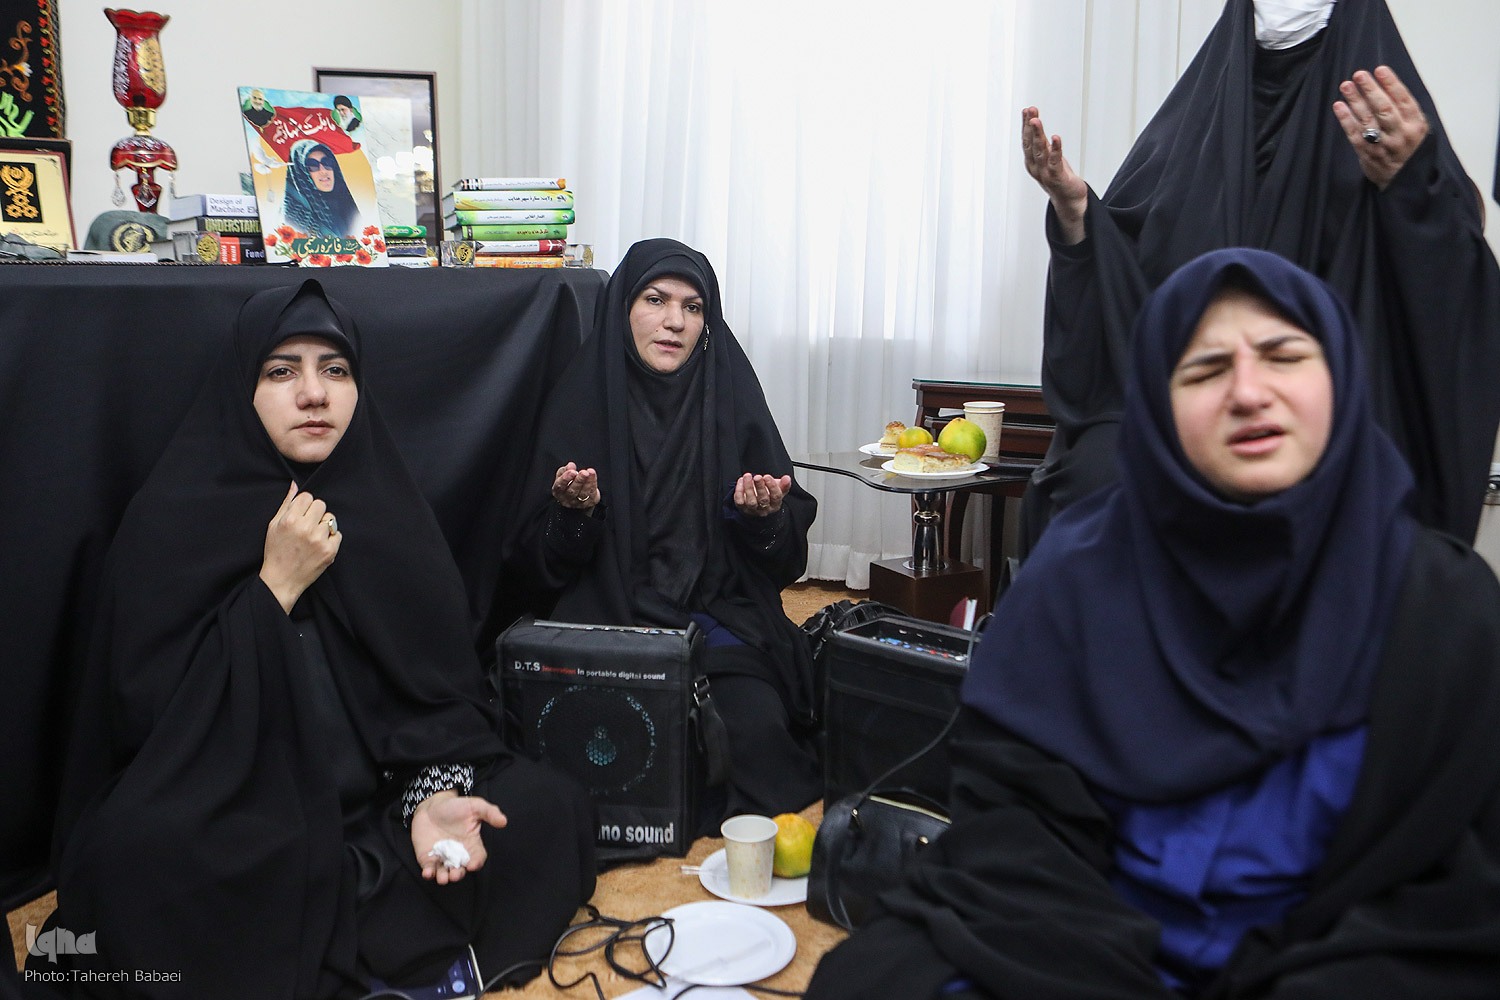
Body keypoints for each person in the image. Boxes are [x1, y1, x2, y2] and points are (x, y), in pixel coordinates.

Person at [804, 248, 1500, 999]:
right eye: (1205, 371)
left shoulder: (1440, 605)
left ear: (1340, 376)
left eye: (1283, 355)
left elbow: (1449, 888)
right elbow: (1014, 826)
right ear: (1158, 407)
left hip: (1336, 961)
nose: (1248, 392)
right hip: (1081, 942)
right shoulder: (1080, 574)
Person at [38, 280, 596, 997]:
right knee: (133, 862)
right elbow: (154, 723)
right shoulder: (172, 520)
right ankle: (401, 939)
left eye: (335, 370)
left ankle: (359, 919)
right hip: (242, 808)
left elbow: (439, 702)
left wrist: (430, 796)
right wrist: (274, 589)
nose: (314, 394)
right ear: (242, 389)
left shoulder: (387, 505)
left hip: (383, 803)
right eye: (282, 371)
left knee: (549, 808)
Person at [1017, 0, 1500, 553]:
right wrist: (1076, 209)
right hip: (1194, 415)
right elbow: (1131, 277)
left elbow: (1454, 295)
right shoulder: (1194, 136)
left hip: (1337, 418)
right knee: (1090, 484)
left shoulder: (1390, 141)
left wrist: (1411, 187)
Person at [507, 238, 822, 826]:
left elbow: (785, 561)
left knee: (756, 737)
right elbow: (530, 567)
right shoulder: (578, 401)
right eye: (655, 299)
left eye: (693, 306)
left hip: (712, 614)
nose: (675, 321)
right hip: (607, 616)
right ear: (622, 308)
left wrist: (763, 520)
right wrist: (575, 517)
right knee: (589, 758)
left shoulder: (730, 395)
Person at [283, 139, 362, 239]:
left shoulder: (345, 202)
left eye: (327, 163)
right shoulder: (293, 215)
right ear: (301, 172)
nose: (323, 171)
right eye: (313, 165)